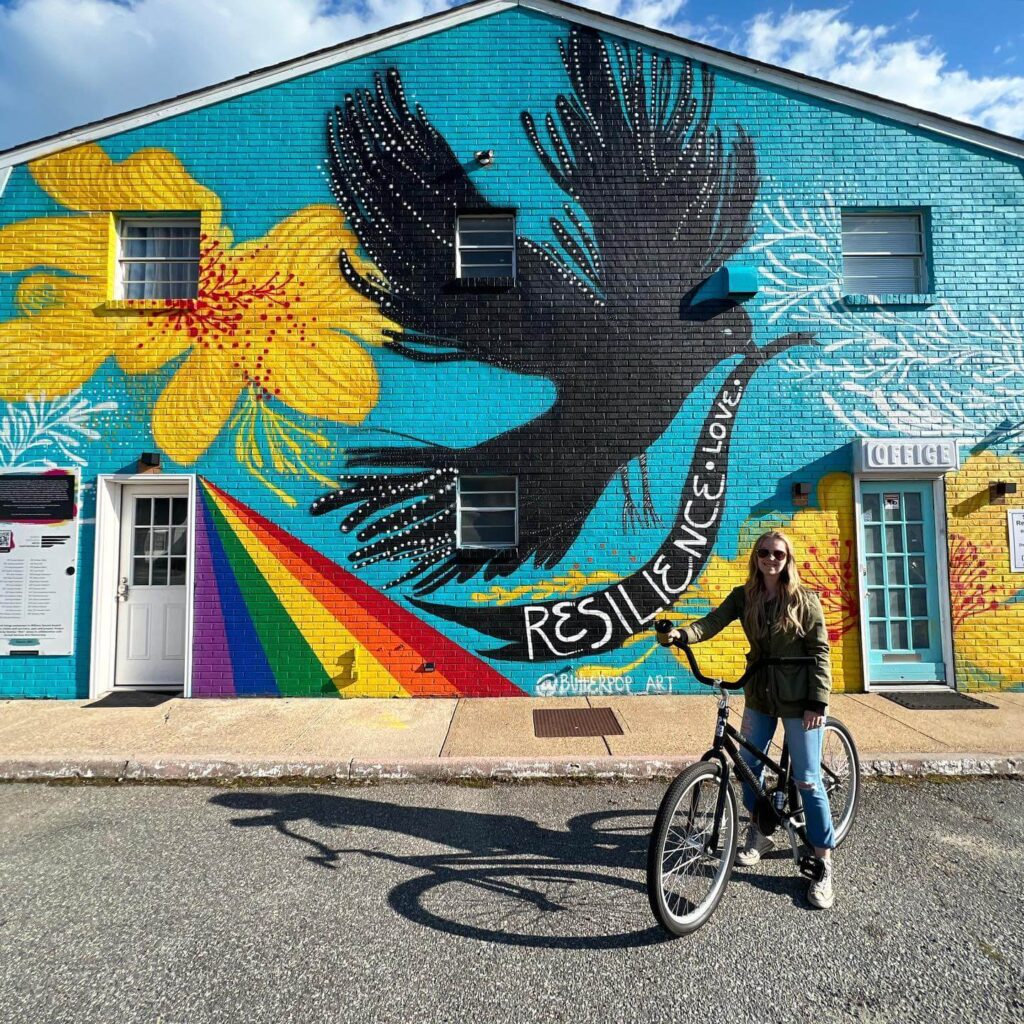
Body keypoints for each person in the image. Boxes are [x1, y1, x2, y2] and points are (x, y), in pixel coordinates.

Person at [656, 528, 836, 909]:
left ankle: (823, 863)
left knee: (807, 779)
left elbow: (821, 652)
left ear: (788, 559)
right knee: (748, 768)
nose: (771, 559)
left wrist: (817, 702)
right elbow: (712, 622)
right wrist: (681, 636)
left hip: (799, 698)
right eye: (764, 553)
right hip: (759, 693)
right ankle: (762, 831)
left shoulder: (804, 600)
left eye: (778, 554)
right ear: (756, 557)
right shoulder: (745, 596)